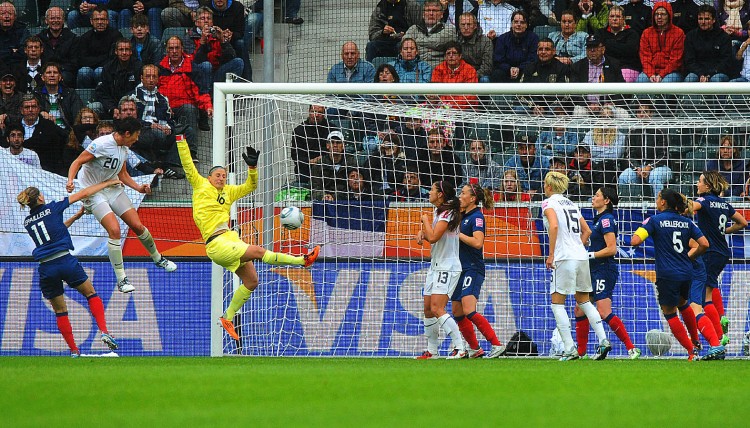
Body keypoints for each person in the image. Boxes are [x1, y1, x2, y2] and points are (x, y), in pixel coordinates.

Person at [175, 135, 320, 340]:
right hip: (216, 243)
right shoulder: (201, 186)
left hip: (230, 238)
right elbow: (188, 165)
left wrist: (252, 169)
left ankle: (228, 317)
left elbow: (250, 187)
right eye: (217, 175)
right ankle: (302, 261)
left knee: (251, 281)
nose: (221, 178)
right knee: (258, 251)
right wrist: (181, 139)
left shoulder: (229, 191)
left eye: (224, 175)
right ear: (209, 177)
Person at [66, 117, 177, 293]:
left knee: (137, 225)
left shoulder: (124, 149)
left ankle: (158, 258)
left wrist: (139, 188)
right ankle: (122, 279)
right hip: (92, 191)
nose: (137, 139)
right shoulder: (101, 144)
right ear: (127, 133)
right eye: (136, 135)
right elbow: (77, 162)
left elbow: (123, 174)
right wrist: (71, 180)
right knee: (115, 230)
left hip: (112, 187)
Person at [17, 180, 122, 357]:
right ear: (41, 198)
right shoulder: (52, 208)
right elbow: (84, 193)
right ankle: (104, 331)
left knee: (60, 310)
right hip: (65, 261)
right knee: (91, 294)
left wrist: (77, 216)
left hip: (46, 267)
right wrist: (108, 182)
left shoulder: (28, 221)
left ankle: (74, 351)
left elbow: (56, 230)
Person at [631, 188, 719, 360]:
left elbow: (635, 241)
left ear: (663, 202)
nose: (656, 201)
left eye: (657, 198)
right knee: (684, 304)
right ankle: (695, 339)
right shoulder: (687, 222)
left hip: (667, 274)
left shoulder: (654, 220)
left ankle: (691, 351)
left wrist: (643, 229)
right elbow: (704, 244)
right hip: (687, 272)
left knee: (670, 312)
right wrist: (689, 256)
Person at [542, 171, 612, 361]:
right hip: (581, 257)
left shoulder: (548, 203)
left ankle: (569, 348)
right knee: (584, 301)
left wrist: (551, 254)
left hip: (564, 257)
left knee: (557, 303)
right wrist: (577, 246)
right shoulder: (571, 203)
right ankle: (604, 340)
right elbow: (587, 230)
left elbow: (554, 226)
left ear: (548, 187)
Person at [574, 187, 640, 359]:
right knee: (580, 310)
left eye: (597, 195)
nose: (593, 198)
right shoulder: (598, 220)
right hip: (592, 269)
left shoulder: (606, 220)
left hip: (603, 268)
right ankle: (581, 353)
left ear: (606, 201)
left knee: (603, 311)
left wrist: (589, 254)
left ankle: (631, 348)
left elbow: (611, 249)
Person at [452, 182, 506, 358]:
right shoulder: (460, 215)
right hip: (459, 269)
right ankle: (475, 349)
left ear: (473, 198)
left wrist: (457, 234)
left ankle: (497, 344)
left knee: (468, 309)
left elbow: (478, 242)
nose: (460, 196)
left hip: (472, 268)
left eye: (463, 193)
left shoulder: (477, 217)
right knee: (457, 312)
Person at [692, 171, 748, 342]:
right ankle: (719, 334)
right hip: (722, 252)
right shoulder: (724, 204)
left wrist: (674, 202)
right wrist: (724, 231)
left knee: (702, 299)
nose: (697, 184)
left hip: (710, 253)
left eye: (700, 181)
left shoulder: (704, 201)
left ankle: (718, 337)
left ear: (707, 186)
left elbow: (690, 208)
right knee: (708, 293)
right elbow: (743, 222)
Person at [415, 180, 466, 359]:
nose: (429, 192)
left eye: (432, 190)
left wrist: (425, 222)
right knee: (428, 309)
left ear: (440, 194)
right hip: (435, 265)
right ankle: (432, 351)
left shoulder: (448, 212)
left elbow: (435, 236)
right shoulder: (439, 211)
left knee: (437, 307)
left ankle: (461, 348)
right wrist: (423, 232)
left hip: (448, 266)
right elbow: (433, 235)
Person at [94, 38, 143, 119]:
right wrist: (112, 108)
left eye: (127, 50)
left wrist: (126, 107)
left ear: (131, 52)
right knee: (94, 106)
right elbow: (102, 93)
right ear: (116, 52)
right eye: (121, 50)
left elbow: (140, 90)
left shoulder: (138, 67)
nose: (124, 53)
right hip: (112, 106)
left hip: (132, 106)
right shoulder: (108, 68)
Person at [76, 7, 124, 89]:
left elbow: (114, 59)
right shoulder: (85, 37)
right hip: (89, 70)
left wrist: (94, 61)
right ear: (91, 21)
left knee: (100, 71)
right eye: (96, 19)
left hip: (108, 70)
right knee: (83, 71)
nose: (100, 22)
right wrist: (103, 58)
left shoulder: (116, 36)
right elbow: (82, 60)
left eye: (103, 19)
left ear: (107, 21)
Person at [637, 2, 685, 83]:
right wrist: (651, 74)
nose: (659, 17)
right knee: (640, 80)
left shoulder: (678, 33)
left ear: (669, 16)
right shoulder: (646, 33)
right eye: (656, 14)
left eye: (663, 14)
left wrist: (661, 75)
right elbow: (645, 58)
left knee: (665, 83)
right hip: (651, 71)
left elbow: (675, 61)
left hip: (672, 72)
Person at [683, 5, 733, 83]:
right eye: (700, 19)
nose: (703, 22)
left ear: (713, 20)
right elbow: (689, 61)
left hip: (718, 73)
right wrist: (701, 74)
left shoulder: (724, 37)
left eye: (706, 19)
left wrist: (710, 74)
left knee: (716, 79)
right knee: (690, 78)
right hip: (697, 72)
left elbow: (725, 61)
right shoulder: (690, 36)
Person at [403, 0, 457, 68]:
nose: (431, 13)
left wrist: (416, 43)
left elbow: (437, 42)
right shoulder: (413, 29)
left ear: (441, 14)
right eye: (428, 10)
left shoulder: (449, 29)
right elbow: (404, 46)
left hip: (439, 69)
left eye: (435, 11)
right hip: (416, 68)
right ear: (423, 14)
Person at [34, 63, 85, 132]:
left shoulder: (70, 93)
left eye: (55, 72)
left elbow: (78, 114)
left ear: (60, 77)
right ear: (43, 77)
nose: (52, 75)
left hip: (67, 132)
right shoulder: (36, 94)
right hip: (44, 132)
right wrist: (41, 112)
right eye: (49, 73)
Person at [492, 10, 539, 83]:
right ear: (511, 24)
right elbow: (498, 60)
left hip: (525, 71)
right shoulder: (502, 39)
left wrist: (519, 69)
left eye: (522, 22)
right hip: (506, 73)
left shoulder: (533, 38)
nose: (518, 24)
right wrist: (509, 69)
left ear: (527, 25)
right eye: (516, 22)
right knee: (497, 73)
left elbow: (533, 59)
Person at [598, 5, 641, 82]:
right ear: (608, 18)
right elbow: (598, 51)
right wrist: (620, 47)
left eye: (618, 16)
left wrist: (608, 44)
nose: (614, 19)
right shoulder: (600, 33)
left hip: (628, 67)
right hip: (605, 67)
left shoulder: (632, 33)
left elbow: (630, 51)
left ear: (623, 18)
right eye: (612, 16)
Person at [430, 41, 478, 109]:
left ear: (460, 56)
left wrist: (451, 105)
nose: (451, 56)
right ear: (445, 57)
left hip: (465, 109)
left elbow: (470, 96)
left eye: (454, 53)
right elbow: (434, 91)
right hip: (442, 108)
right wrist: (446, 105)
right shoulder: (438, 69)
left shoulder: (470, 70)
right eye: (448, 53)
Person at [456, 12, 492, 82]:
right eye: (463, 25)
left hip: (479, 74)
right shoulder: (456, 40)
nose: (466, 28)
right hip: (460, 73)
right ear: (459, 26)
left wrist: (471, 76)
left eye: (469, 24)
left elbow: (487, 67)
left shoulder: (486, 42)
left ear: (475, 26)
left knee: (485, 79)